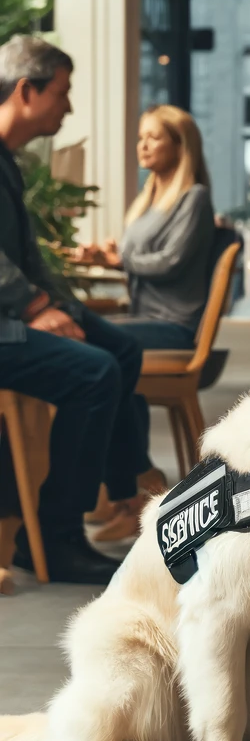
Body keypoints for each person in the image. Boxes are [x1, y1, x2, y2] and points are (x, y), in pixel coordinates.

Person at [0, 36, 144, 585]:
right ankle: (56, 539)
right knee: (94, 373)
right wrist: (37, 307)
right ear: (26, 91)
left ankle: (121, 495)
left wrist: (62, 307)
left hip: (14, 315)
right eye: (62, 93)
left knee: (120, 348)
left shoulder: (8, 163)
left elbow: (28, 257)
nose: (69, 107)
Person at [74, 105, 215, 541]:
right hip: (144, 317)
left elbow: (170, 262)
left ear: (181, 143)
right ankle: (131, 487)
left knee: (96, 349)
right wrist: (110, 256)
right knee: (108, 359)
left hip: (172, 325)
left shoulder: (193, 197)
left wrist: (120, 258)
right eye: (141, 138)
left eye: (154, 137)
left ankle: (128, 488)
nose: (144, 145)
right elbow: (141, 259)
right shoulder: (152, 195)